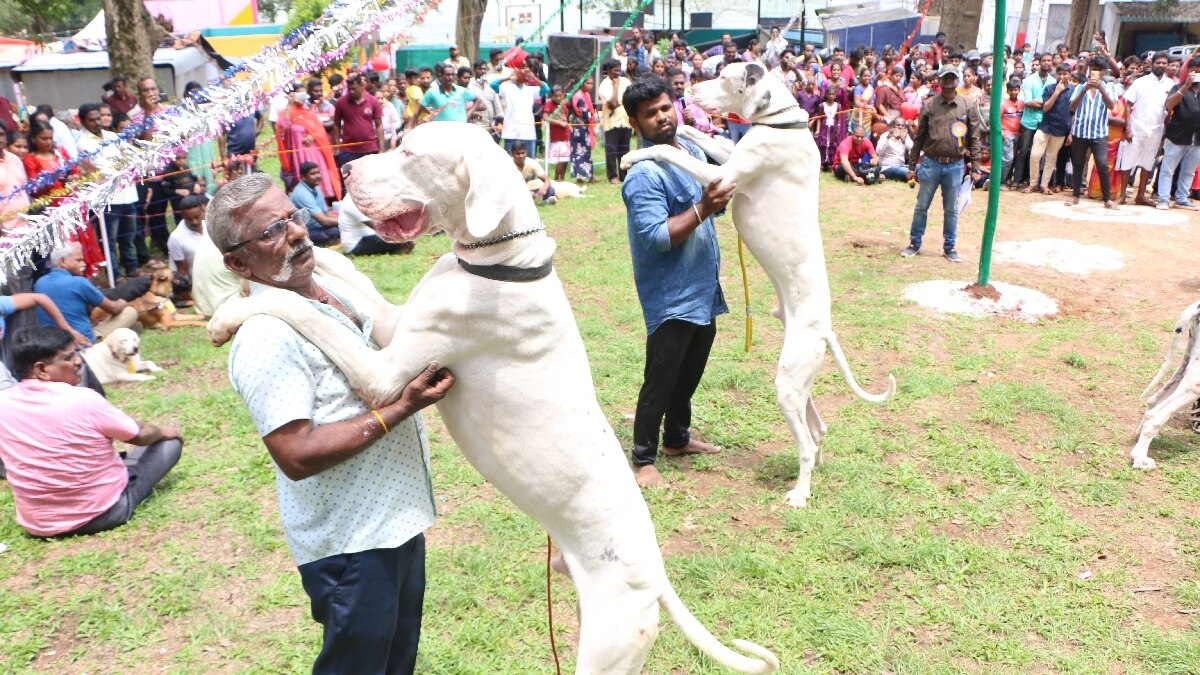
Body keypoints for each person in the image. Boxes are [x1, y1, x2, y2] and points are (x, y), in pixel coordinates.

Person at [209, 173, 454, 674]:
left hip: (396, 521)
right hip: (351, 545)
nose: (297, 232)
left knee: (395, 662)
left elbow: (397, 331)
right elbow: (295, 455)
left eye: (293, 216)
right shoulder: (265, 337)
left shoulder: (331, 283)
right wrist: (399, 409)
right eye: (272, 230)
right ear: (237, 262)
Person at [619, 75, 734, 488]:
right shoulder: (645, 173)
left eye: (665, 107)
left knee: (689, 372)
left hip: (701, 286)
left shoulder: (687, 151)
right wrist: (703, 207)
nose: (661, 117)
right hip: (671, 293)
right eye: (650, 114)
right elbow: (656, 236)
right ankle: (643, 458)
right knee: (662, 376)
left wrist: (712, 204)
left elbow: (710, 209)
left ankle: (677, 439)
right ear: (635, 123)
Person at [0, 326, 182, 537]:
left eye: (76, 353)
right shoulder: (83, 399)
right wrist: (167, 431)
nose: (79, 361)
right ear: (41, 370)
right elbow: (140, 436)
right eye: (68, 358)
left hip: (39, 524)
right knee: (168, 444)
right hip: (104, 512)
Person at [901, 66, 983, 263]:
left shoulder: (968, 105)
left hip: (955, 165)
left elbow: (974, 138)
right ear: (939, 80)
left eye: (952, 78)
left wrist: (976, 166)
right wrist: (912, 167)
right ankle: (914, 243)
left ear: (958, 80)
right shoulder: (928, 105)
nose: (949, 81)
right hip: (930, 163)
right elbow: (919, 137)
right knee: (922, 206)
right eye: (945, 77)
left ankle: (950, 246)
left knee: (951, 209)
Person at [76, 103, 142, 278]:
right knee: (109, 239)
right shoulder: (82, 143)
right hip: (108, 199)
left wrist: (124, 161)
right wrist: (121, 162)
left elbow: (132, 155)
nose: (97, 122)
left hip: (127, 193)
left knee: (129, 235)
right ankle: (114, 274)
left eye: (99, 118)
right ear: (82, 121)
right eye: (92, 120)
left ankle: (131, 267)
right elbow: (100, 167)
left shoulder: (112, 135)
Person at [35, 244, 137, 341]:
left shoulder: (39, 283)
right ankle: (99, 340)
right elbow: (113, 309)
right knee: (130, 312)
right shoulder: (79, 283)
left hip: (50, 344)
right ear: (62, 262)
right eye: (78, 260)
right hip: (81, 343)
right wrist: (122, 303)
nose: (83, 264)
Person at [1118, 52, 1175, 206]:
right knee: (1128, 161)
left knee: (1148, 163)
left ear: (1167, 65)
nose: (1161, 66)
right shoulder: (1140, 82)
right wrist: (1128, 128)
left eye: (1164, 63)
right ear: (1152, 63)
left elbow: (1170, 109)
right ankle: (1122, 196)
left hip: (1156, 130)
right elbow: (1128, 106)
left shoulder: (1170, 85)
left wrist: (1165, 130)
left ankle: (1141, 196)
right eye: (1158, 63)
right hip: (1136, 127)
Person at [1068, 58, 1118, 208]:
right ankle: (1076, 195)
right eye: (1093, 69)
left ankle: (1107, 199)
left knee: (1102, 164)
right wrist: (1084, 90)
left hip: (1099, 134)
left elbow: (1111, 106)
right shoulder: (1080, 87)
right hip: (1080, 132)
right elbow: (1072, 107)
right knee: (1078, 163)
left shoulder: (1109, 87)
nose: (1095, 72)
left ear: (1103, 72)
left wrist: (1102, 89)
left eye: (1098, 69)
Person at [278, 87, 342, 200]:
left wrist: (313, 136)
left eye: (304, 94)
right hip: (299, 154)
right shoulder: (286, 112)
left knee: (318, 175)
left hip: (314, 153)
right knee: (304, 177)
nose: (302, 97)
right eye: (299, 94)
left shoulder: (309, 113)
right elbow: (283, 128)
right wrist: (289, 104)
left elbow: (320, 131)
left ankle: (324, 201)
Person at [338, 165, 415, 256]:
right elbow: (376, 226)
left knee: (403, 237)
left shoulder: (364, 197)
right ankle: (400, 247)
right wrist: (401, 235)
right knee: (402, 239)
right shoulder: (352, 201)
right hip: (356, 245)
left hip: (367, 236)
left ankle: (400, 246)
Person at [1156, 55, 1200, 210]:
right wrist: (1185, 87)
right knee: (1168, 169)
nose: (1197, 75)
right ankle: (1163, 199)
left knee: (1189, 171)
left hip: (1197, 139)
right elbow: (1169, 105)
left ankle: (1182, 198)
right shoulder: (1178, 87)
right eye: (1194, 71)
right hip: (1177, 136)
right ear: (1188, 72)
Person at [1026, 65, 1074, 195]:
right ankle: (1033, 183)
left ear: (1070, 74)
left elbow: (1074, 113)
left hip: (1061, 129)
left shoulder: (1073, 91)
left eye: (1065, 74)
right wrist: (1057, 92)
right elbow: (1045, 108)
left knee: (1051, 158)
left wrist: (1071, 132)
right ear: (1056, 75)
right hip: (1045, 126)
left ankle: (1044, 185)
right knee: (1035, 155)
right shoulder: (1049, 88)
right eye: (1059, 74)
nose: (1062, 77)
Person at [492, 55, 549, 158]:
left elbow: (546, 89)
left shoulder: (532, 90)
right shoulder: (507, 88)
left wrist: (533, 77)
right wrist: (508, 77)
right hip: (510, 132)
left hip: (528, 132)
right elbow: (493, 85)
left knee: (530, 161)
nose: (521, 74)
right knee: (510, 162)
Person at [1012, 53, 1054, 188]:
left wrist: (1041, 102)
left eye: (1049, 61)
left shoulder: (1053, 81)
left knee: (1038, 153)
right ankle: (1017, 180)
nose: (1046, 63)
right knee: (1023, 151)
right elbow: (1028, 102)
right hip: (1029, 121)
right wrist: (1046, 103)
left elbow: (1054, 103)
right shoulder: (1029, 80)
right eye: (1044, 60)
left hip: (1045, 122)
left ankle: (1031, 180)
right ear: (1039, 62)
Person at [332, 74, 385, 168]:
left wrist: (382, 148)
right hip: (348, 151)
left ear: (362, 86)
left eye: (354, 88)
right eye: (349, 89)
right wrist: (337, 147)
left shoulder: (373, 101)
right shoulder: (341, 102)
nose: (351, 91)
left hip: (370, 149)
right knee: (348, 180)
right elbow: (336, 125)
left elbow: (379, 125)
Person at [597, 59, 633, 183]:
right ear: (608, 70)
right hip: (612, 122)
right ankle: (612, 176)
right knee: (611, 150)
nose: (618, 72)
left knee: (624, 150)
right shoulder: (604, 85)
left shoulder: (626, 81)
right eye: (615, 70)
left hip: (626, 121)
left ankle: (624, 175)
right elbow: (612, 103)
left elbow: (631, 97)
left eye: (619, 69)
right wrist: (616, 86)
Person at [413, 63, 482, 126]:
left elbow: (478, 100)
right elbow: (417, 111)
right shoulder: (432, 92)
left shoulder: (461, 90)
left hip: (461, 129)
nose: (450, 77)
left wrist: (468, 114)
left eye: (452, 75)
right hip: (441, 131)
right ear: (440, 76)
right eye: (448, 75)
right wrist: (409, 126)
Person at [288, 162, 341, 243]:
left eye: (318, 172)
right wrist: (347, 222)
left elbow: (326, 213)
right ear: (303, 177)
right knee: (336, 231)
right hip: (305, 230)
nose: (318, 176)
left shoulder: (315, 187)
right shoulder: (302, 193)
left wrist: (345, 219)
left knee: (341, 225)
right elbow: (324, 221)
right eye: (313, 174)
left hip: (318, 226)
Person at [167, 194, 209, 280]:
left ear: (202, 209)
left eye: (197, 217)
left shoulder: (210, 225)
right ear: (182, 215)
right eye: (189, 218)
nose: (194, 222)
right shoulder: (176, 238)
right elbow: (181, 271)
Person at [812, 85, 850, 170]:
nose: (831, 96)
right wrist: (818, 130)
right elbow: (819, 118)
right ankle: (822, 163)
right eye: (829, 94)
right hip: (824, 128)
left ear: (835, 95)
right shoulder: (822, 105)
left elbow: (839, 120)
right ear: (825, 95)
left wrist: (838, 131)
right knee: (823, 144)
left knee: (832, 144)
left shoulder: (838, 106)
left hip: (833, 129)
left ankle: (830, 163)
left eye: (833, 94)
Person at [568, 77, 596, 183]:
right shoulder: (578, 96)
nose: (590, 86)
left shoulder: (587, 95)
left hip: (586, 126)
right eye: (587, 83)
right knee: (579, 151)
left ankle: (590, 175)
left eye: (591, 83)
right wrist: (593, 116)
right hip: (579, 127)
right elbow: (584, 112)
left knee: (587, 151)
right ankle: (580, 176)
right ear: (582, 84)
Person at [0, 129, 29, 229]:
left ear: (6, 138)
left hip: (25, 224)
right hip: (4, 229)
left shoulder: (14, 159)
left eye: (1, 134)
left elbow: (24, 188)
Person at [542, 85, 571, 181]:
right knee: (561, 160)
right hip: (556, 137)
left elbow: (566, 113)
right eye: (556, 96)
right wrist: (559, 123)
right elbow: (545, 117)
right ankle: (556, 179)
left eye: (560, 95)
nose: (558, 98)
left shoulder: (564, 103)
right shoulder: (549, 104)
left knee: (565, 159)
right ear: (552, 96)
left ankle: (562, 179)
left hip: (566, 135)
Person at [998, 79, 1024, 186]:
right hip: (1007, 134)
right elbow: (997, 119)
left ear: (1019, 90)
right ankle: (1000, 182)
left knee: (1013, 159)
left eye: (1016, 90)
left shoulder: (1022, 103)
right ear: (1007, 91)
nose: (1013, 92)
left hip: (1018, 134)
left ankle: (1008, 179)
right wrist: (1002, 134)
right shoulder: (1003, 103)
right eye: (1011, 90)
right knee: (1007, 159)